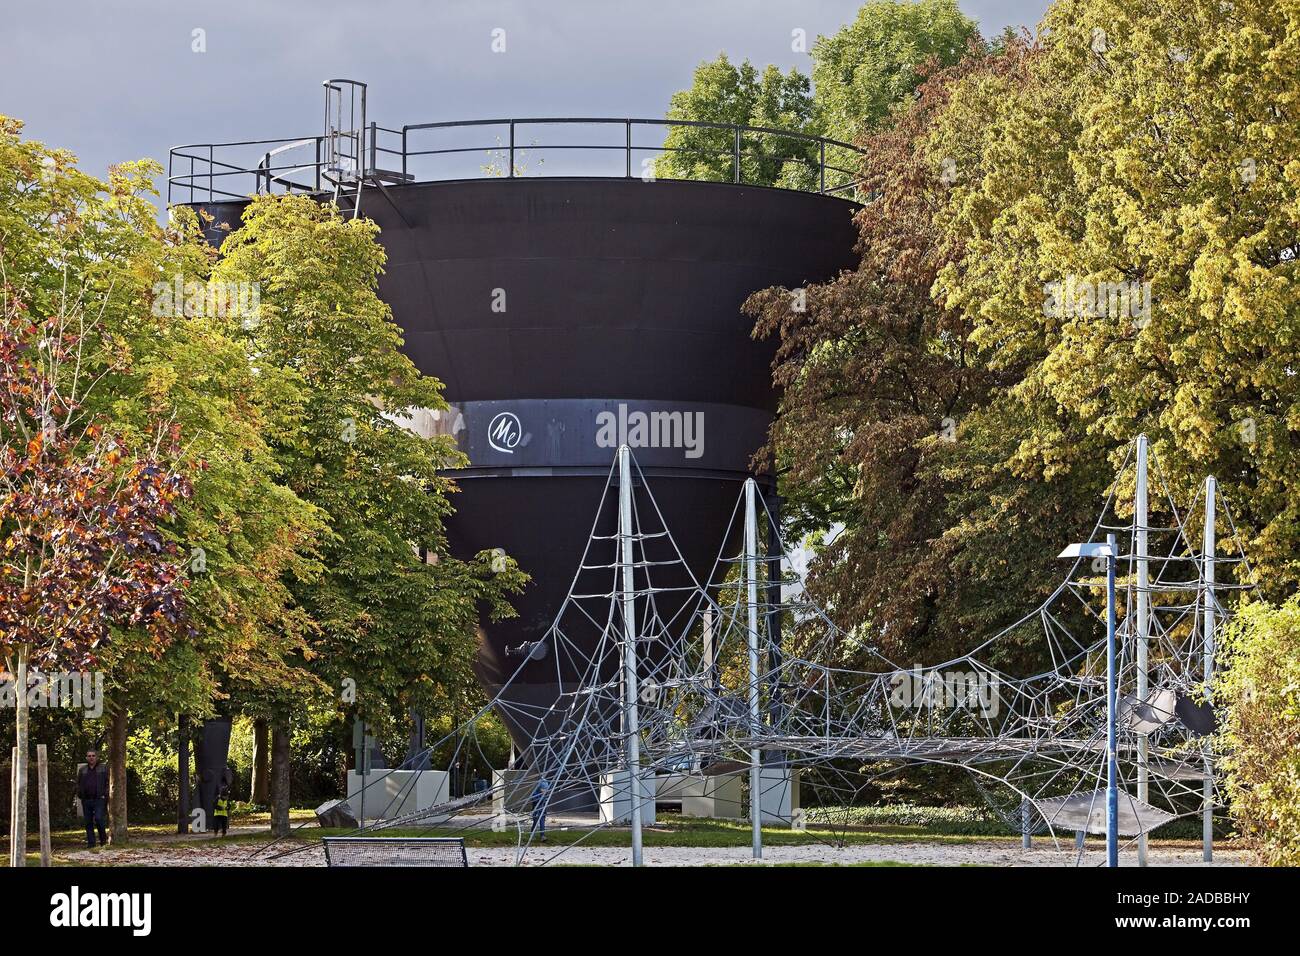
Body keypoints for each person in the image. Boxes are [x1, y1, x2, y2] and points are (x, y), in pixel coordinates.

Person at [76, 749, 109, 849]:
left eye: (93, 756)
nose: (91, 757)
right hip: (86, 800)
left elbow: (108, 782)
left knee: (99, 819)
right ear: (86, 758)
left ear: (97, 757)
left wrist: (105, 794)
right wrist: (80, 794)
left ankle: (103, 841)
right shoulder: (83, 770)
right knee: (88, 822)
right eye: (89, 756)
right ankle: (91, 844)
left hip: (99, 799)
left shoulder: (103, 768)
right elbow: (78, 783)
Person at [530, 777, 551, 842]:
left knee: (542, 823)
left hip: (543, 811)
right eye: (543, 789)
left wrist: (546, 799)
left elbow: (547, 801)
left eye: (546, 789)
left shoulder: (546, 794)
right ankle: (532, 835)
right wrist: (541, 797)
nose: (544, 791)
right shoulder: (535, 793)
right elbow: (534, 800)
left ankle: (542, 836)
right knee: (535, 823)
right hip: (536, 811)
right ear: (539, 787)